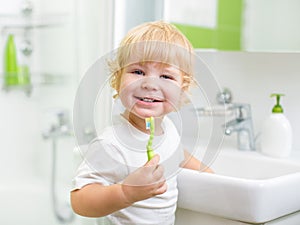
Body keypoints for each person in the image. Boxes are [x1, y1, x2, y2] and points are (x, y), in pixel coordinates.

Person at [70, 20, 212, 225]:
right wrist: (126, 192)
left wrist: (211, 175)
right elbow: (79, 200)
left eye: (165, 76)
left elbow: (179, 154)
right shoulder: (112, 143)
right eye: (138, 72)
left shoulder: (168, 129)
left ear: (183, 87)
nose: (150, 84)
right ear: (117, 80)